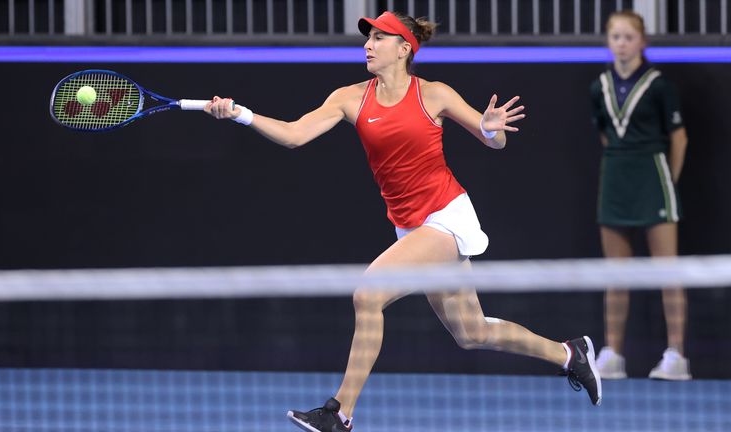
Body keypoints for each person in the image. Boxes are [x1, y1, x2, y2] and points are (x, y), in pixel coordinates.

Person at [206, 11, 601, 431]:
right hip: (411, 226)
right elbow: (294, 133)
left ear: (404, 48)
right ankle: (569, 354)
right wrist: (240, 114)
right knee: (472, 333)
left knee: (368, 295)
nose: (368, 45)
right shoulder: (350, 97)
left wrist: (490, 130)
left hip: (446, 216)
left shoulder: (434, 94)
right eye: (368, 38)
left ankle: (340, 413)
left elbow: (496, 140)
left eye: (379, 38)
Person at [590, 10, 690, 381]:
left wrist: (668, 180)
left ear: (642, 42)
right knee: (616, 273)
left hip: (654, 179)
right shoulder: (598, 86)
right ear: (608, 42)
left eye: (628, 37)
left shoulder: (660, 85)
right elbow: (605, 135)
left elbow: (678, 138)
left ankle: (676, 355)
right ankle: (613, 353)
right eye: (615, 37)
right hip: (615, 179)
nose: (621, 44)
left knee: (668, 271)